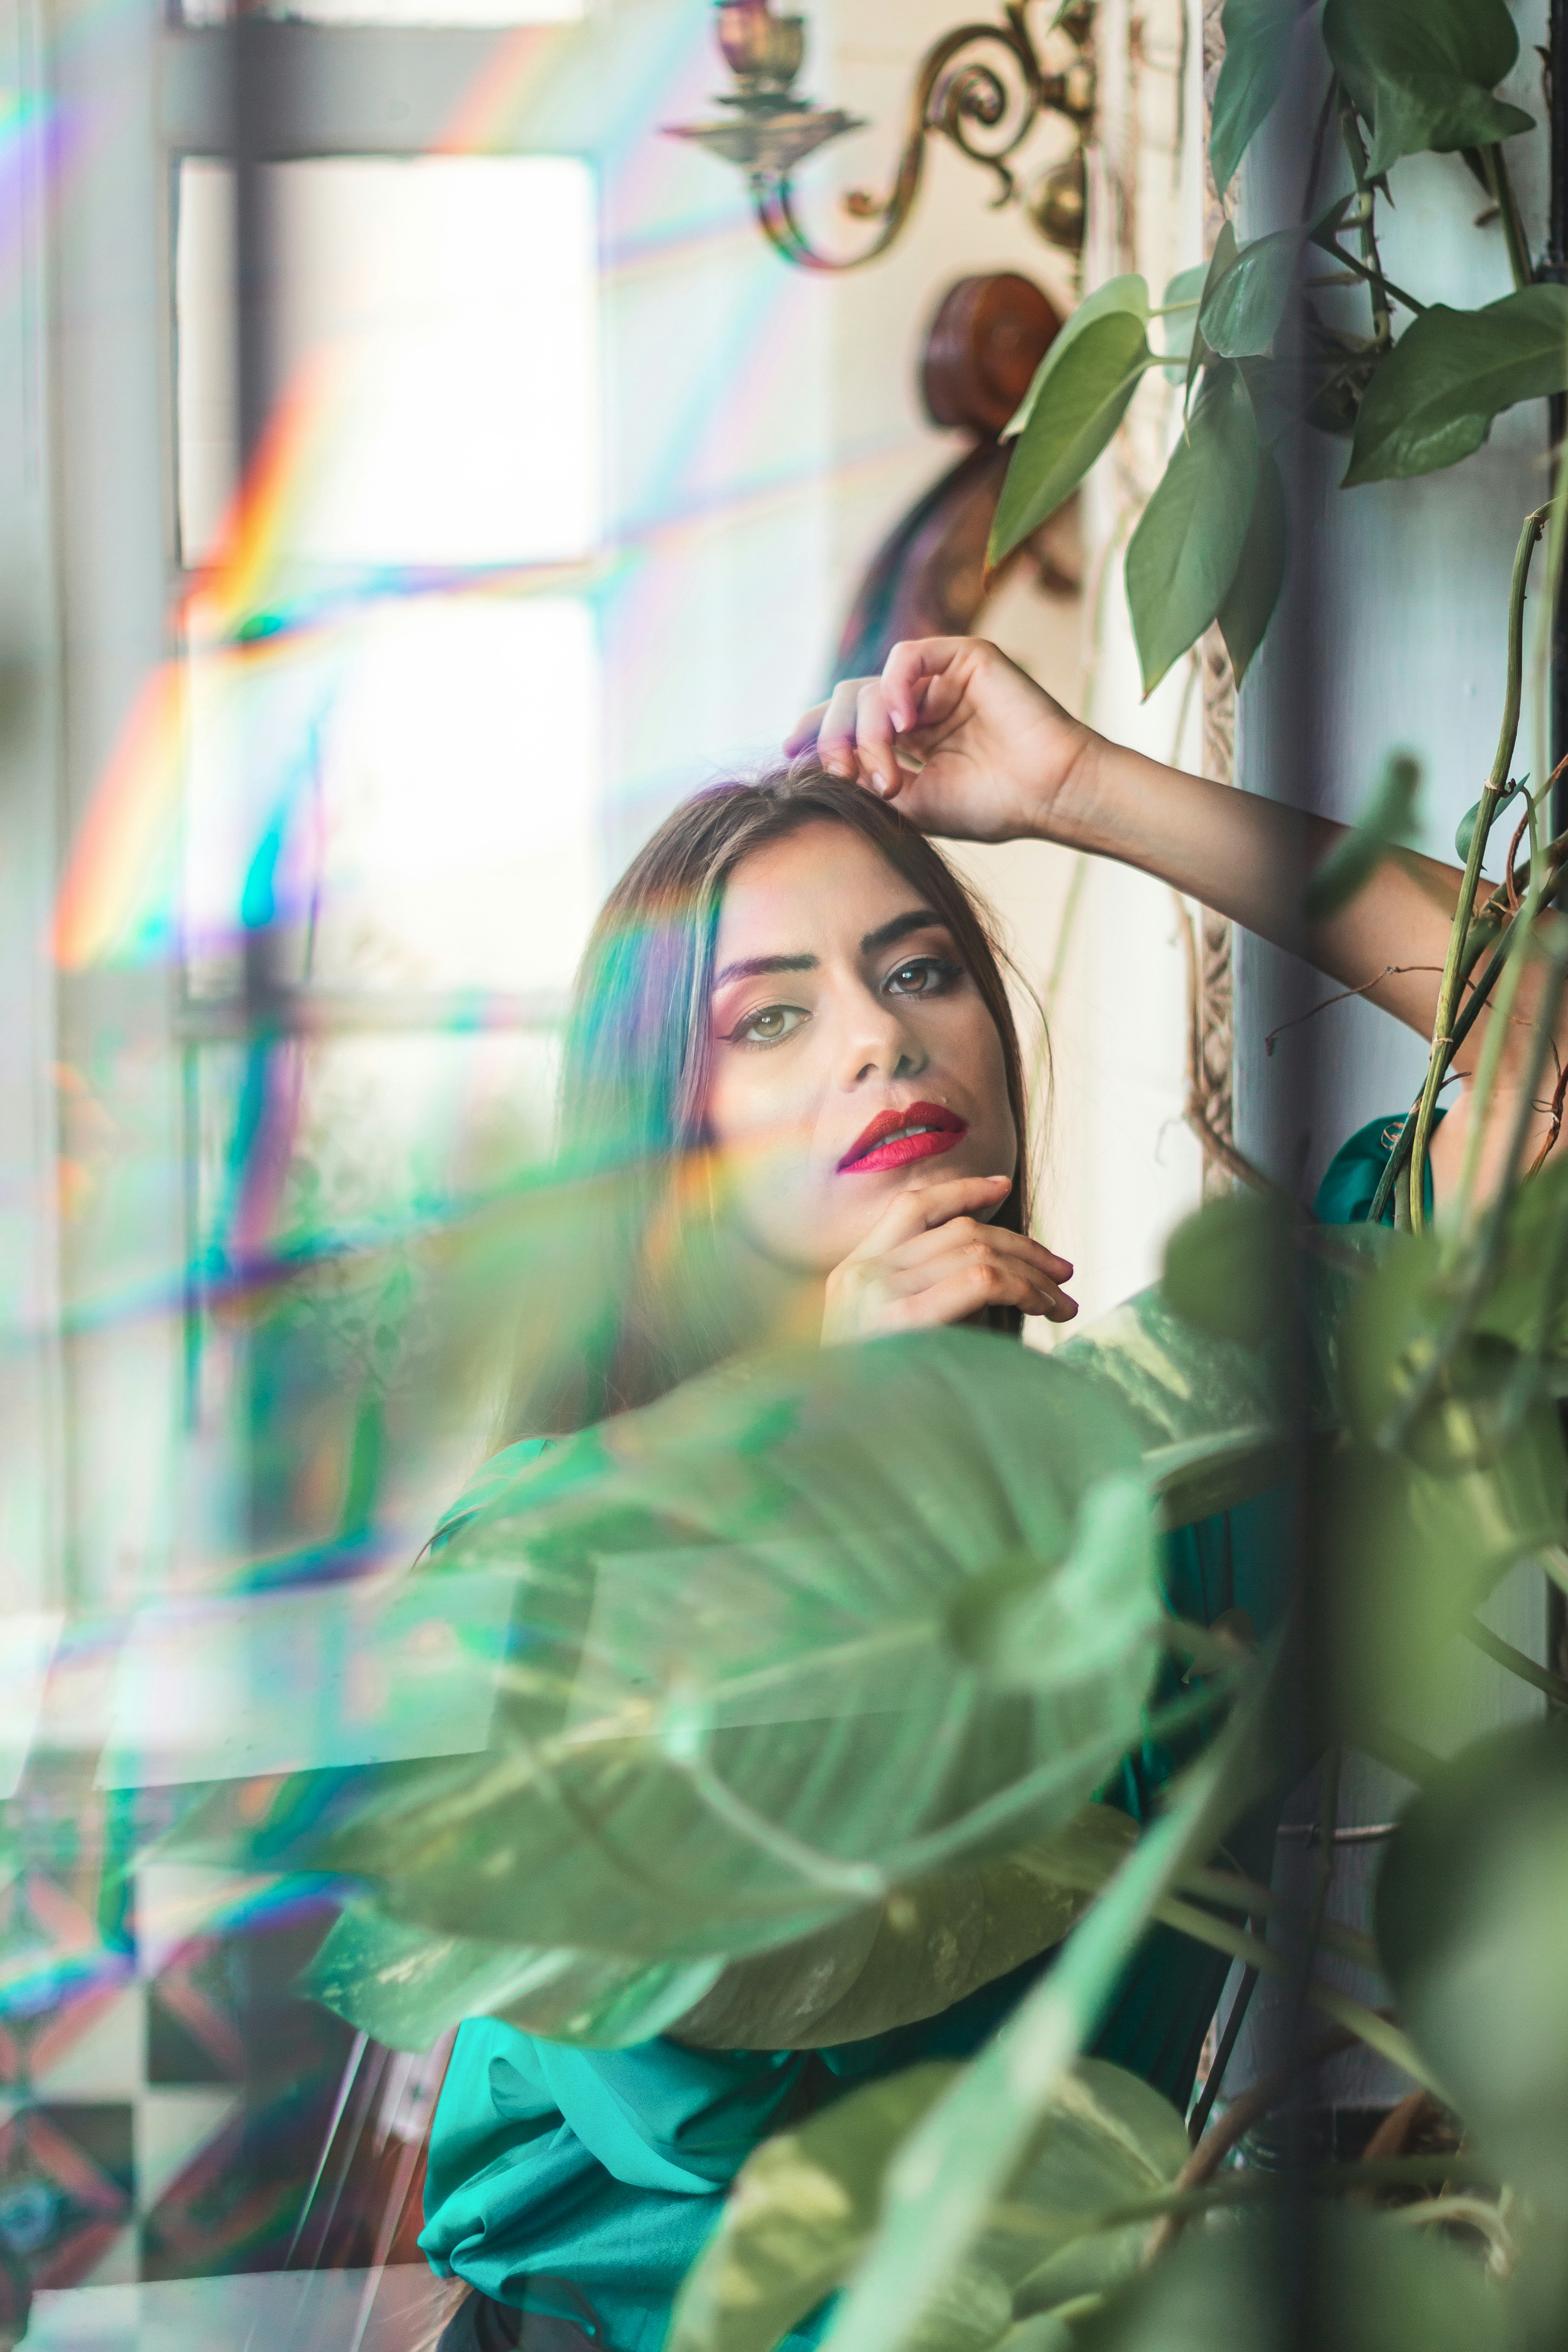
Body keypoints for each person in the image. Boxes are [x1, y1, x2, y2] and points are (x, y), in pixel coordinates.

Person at [418, 639, 1559, 2350]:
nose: (882, 1038)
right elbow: (672, 2038)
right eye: (774, 1018)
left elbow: (1544, 1074)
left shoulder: (1190, 1458)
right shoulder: (565, 1531)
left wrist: (1082, 786)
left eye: (921, 969)